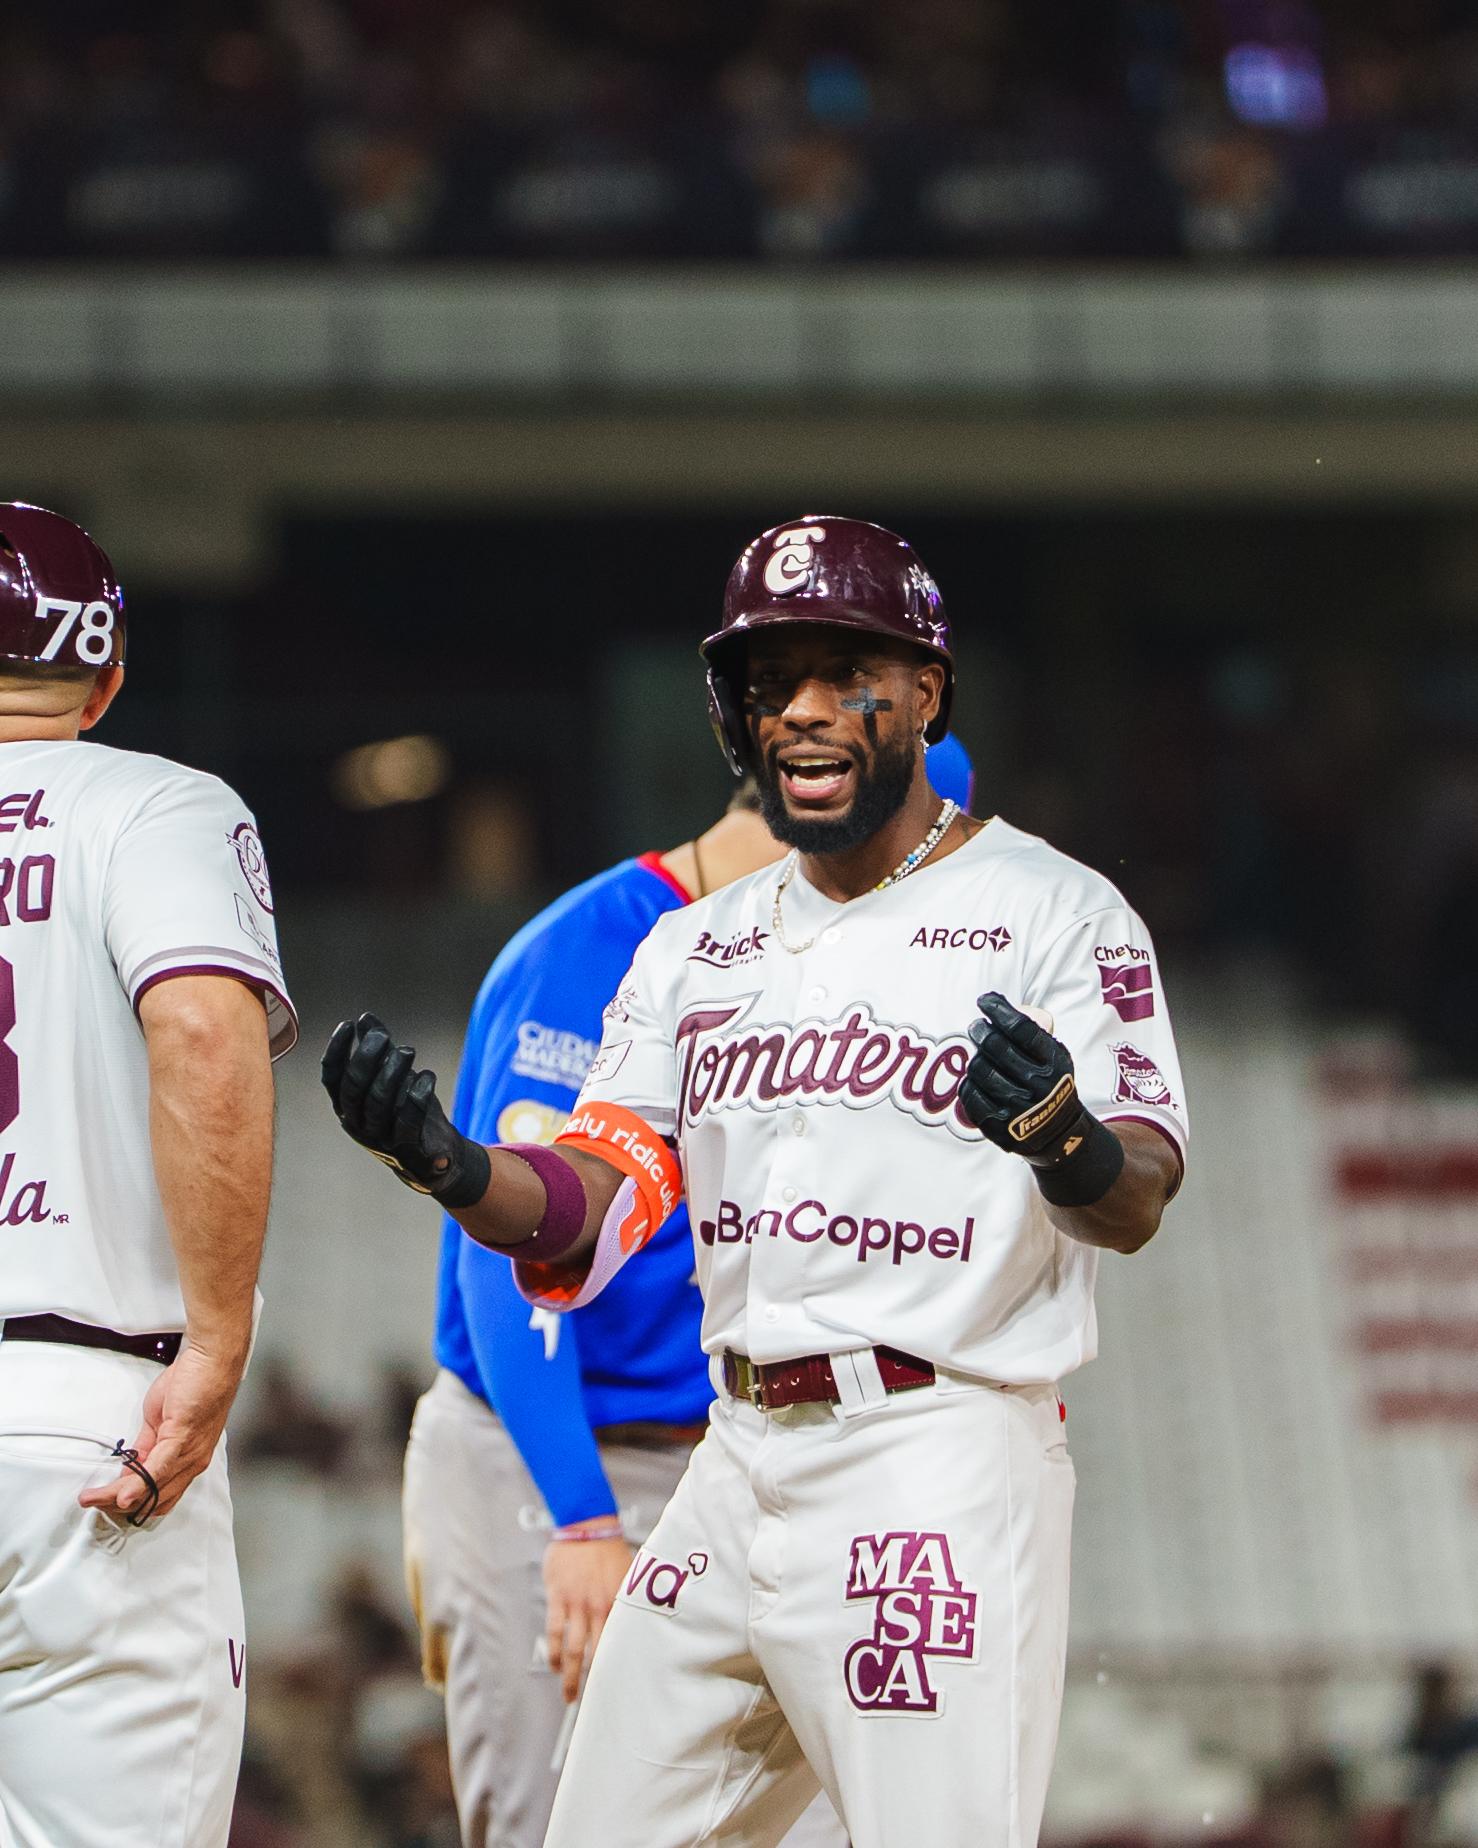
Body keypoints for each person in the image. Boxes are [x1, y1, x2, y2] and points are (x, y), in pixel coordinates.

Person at [323, 515, 1187, 1848]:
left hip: (930, 1456)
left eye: (847, 673)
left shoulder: (1056, 911)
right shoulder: (690, 949)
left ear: (925, 694)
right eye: (769, 681)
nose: (803, 711)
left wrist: (1061, 1136)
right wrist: (448, 1165)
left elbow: (1131, 1195)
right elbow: (590, 1199)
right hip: (733, 1466)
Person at [403, 742, 973, 1848]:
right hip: (546, 1445)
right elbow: (499, 1261)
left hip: (731, 1454)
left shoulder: (833, 970)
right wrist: (578, 1512)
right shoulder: (586, 950)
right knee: (548, 1826)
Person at [0, 504, 297, 1847]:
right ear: (107, 677)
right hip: (88, 1412)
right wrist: (223, 1342)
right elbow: (198, 1026)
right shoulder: (155, 803)